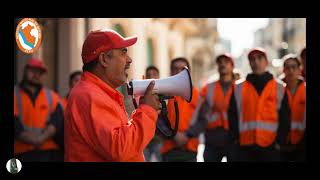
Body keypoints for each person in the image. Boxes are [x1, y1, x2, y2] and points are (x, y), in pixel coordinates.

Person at [64, 29, 160, 162]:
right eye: (123, 53)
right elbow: (120, 149)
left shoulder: (97, 93)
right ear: (104, 59)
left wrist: (142, 110)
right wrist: (147, 110)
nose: (129, 60)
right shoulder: (89, 95)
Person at [228, 47, 290, 162]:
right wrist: (236, 140)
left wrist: (279, 142)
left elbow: (285, 117)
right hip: (245, 146)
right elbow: (232, 115)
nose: (256, 61)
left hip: (270, 146)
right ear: (249, 63)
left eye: (259, 58)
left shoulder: (280, 87)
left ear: (266, 62)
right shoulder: (238, 87)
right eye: (252, 59)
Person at [183, 53, 238, 162]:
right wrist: (190, 133)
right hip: (213, 139)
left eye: (226, 62)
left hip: (233, 138)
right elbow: (199, 113)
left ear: (232, 66)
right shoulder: (208, 88)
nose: (222, 64)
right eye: (220, 62)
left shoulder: (240, 87)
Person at [14, 58, 64, 162]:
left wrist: (41, 139)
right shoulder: (15, 94)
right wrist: (31, 139)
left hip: (47, 151)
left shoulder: (52, 96)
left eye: (39, 73)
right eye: (33, 71)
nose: (36, 75)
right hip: (21, 151)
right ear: (25, 71)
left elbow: (56, 121)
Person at [160, 57, 200, 162]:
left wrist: (187, 135)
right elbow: (158, 119)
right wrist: (174, 135)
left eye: (182, 69)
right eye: (175, 68)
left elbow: (202, 119)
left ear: (189, 72)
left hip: (190, 149)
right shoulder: (162, 94)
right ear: (170, 71)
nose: (178, 72)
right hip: (169, 150)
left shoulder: (197, 95)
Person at [281, 54, 306, 161]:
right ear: (283, 70)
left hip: (302, 144)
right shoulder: (277, 90)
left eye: (294, 67)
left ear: (300, 69)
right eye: (287, 67)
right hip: (282, 145)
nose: (290, 70)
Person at [143, 65, 162, 162]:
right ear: (144, 78)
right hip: (144, 140)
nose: (151, 77)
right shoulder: (140, 95)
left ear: (158, 77)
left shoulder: (164, 94)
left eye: (154, 75)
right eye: (149, 75)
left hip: (159, 139)